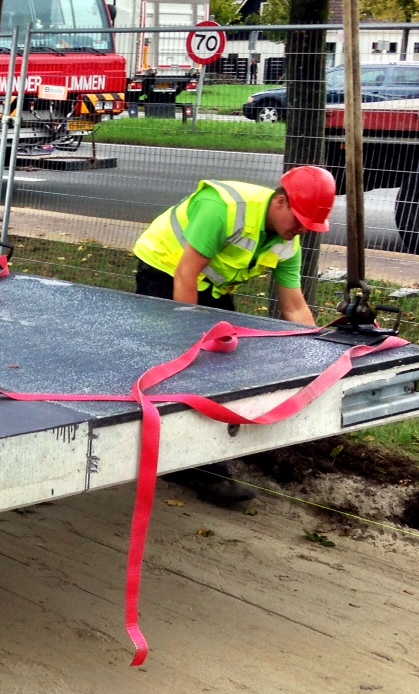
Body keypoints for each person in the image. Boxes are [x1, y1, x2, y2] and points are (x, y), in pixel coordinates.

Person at [132, 166, 335, 503]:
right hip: (165, 268)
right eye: (299, 220)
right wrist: (189, 341)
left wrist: (317, 355)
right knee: (181, 364)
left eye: (309, 227)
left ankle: (208, 447)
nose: (301, 231)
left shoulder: (288, 244)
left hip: (210, 284)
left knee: (221, 363)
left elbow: (295, 307)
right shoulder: (225, 208)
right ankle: (192, 467)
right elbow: (186, 275)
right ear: (281, 202)